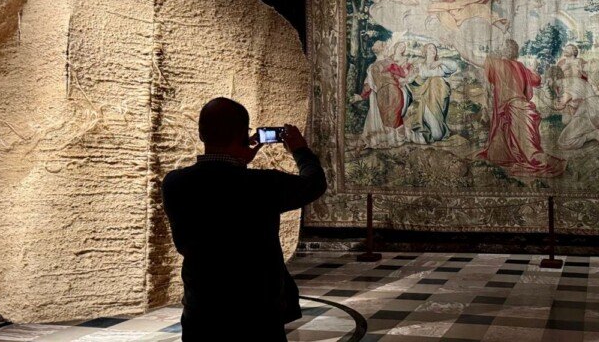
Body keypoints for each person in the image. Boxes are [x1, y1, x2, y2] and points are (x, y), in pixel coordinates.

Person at [161, 97, 327, 341]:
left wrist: (238, 161)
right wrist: (300, 149)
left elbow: (219, 186)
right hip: (256, 312)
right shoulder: (262, 185)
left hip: (203, 309)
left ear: (201, 134)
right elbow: (314, 183)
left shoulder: (174, 183)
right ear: (243, 135)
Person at [455, 39, 566, 177]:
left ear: (506, 49)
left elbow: (472, 58)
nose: (498, 47)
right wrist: (533, 69)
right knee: (502, 147)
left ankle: (553, 164)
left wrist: (456, 44)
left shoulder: (497, 63)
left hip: (515, 109)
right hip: (518, 109)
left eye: (501, 45)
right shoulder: (520, 66)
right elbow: (537, 80)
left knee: (530, 152)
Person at [350, 41, 413, 148]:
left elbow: (368, 85)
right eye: (387, 48)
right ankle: (395, 140)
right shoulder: (389, 63)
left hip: (381, 94)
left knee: (387, 117)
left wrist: (361, 96)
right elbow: (403, 74)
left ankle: (391, 140)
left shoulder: (371, 67)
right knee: (392, 117)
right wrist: (408, 65)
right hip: (392, 92)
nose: (388, 50)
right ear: (383, 51)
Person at [403, 43, 459, 144]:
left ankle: (432, 129)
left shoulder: (440, 66)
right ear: (425, 51)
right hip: (425, 97)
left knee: (435, 80)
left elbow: (454, 67)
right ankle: (424, 130)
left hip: (439, 98)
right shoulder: (420, 66)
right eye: (430, 48)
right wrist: (414, 74)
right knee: (437, 135)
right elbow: (409, 81)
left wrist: (440, 61)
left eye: (434, 48)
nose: (433, 50)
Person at [551, 67, 599, 149]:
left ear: (554, 78)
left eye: (548, 80)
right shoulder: (572, 81)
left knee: (563, 142)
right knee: (568, 120)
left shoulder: (565, 86)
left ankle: (593, 134)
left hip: (591, 113)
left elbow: (561, 104)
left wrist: (556, 105)